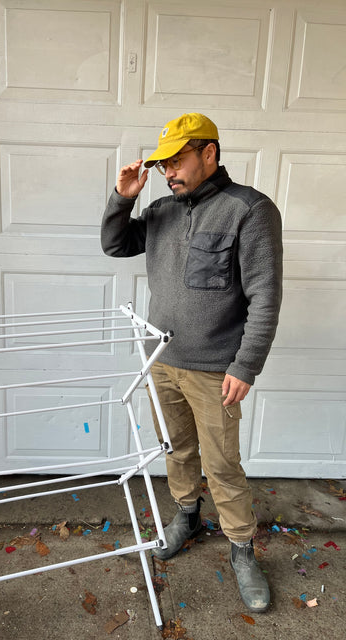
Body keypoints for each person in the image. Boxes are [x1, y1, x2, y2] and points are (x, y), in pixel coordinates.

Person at [101, 113, 283, 613]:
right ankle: (187, 516)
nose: (168, 173)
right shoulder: (160, 209)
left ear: (209, 153)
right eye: (164, 164)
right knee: (177, 449)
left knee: (222, 463)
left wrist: (246, 364)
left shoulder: (249, 209)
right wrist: (124, 197)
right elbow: (116, 244)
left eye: (177, 160)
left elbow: (265, 295)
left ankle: (242, 549)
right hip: (162, 360)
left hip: (215, 369)